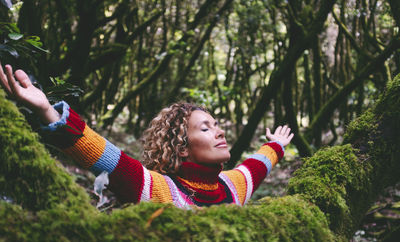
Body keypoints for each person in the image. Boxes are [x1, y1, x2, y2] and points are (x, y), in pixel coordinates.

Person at [0, 63, 294, 208]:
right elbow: (106, 157)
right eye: (205, 128)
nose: (219, 131)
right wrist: (49, 112)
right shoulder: (162, 192)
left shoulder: (232, 186)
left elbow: (256, 166)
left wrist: (276, 146)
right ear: (181, 148)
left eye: (216, 125)